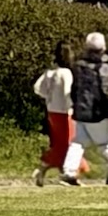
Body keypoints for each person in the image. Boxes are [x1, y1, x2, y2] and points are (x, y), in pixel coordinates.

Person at [61, 31, 108, 186]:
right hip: (97, 113)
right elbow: (106, 92)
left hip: (80, 112)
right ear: (103, 48)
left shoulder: (78, 65)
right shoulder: (103, 67)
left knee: (78, 143)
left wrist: (75, 106)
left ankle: (69, 172)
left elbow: (74, 89)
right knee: (106, 143)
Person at [32, 39, 76, 187]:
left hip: (52, 111)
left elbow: (38, 88)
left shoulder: (50, 73)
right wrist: (73, 107)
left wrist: (49, 98)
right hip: (64, 112)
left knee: (60, 143)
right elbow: (67, 93)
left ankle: (66, 173)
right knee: (67, 144)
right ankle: (46, 168)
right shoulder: (66, 73)